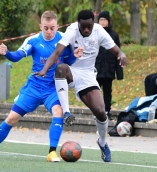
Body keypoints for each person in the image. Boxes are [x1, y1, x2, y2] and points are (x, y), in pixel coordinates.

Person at [0, 11, 72, 162]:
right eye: (45, 28)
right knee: (11, 118)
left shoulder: (64, 39)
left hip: (53, 88)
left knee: (59, 111)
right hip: (34, 87)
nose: (49, 31)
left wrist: (77, 54)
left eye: (52, 28)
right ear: (40, 26)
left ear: (57, 26)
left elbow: (72, 58)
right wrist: (7, 53)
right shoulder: (33, 40)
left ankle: (52, 152)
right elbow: (17, 56)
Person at [34, 9, 128, 162]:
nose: (86, 30)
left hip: (88, 75)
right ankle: (66, 112)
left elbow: (116, 50)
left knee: (101, 112)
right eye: (83, 27)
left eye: (89, 26)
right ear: (78, 24)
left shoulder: (99, 31)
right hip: (72, 70)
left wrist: (121, 55)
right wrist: (44, 70)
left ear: (93, 24)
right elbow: (57, 53)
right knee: (60, 68)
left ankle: (102, 142)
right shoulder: (71, 30)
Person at [95, 11, 124, 120]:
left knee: (107, 91)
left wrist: (119, 72)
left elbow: (119, 54)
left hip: (109, 69)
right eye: (100, 20)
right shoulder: (94, 33)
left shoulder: (114, 35)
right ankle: (97, 111)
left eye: (104, 20)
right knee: (95, 91)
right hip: (97, 69)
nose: (102, 22)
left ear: (108, 21)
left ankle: (107, 111)